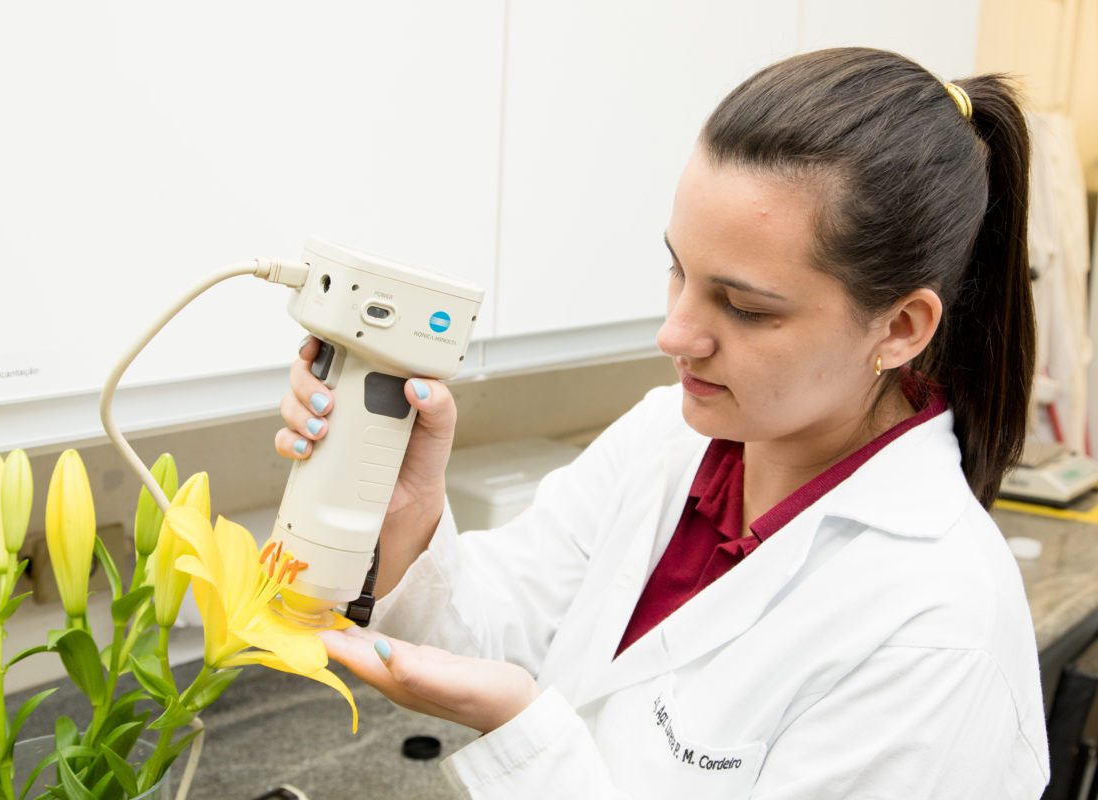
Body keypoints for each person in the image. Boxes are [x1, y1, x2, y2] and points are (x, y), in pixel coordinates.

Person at [276, 47, 1049, 798]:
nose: (675, 334)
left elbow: (522, 703)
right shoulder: (672, 436)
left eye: (745, 307)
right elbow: (503, 623)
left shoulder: (941, 635)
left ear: (903, 327)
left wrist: (522, 729)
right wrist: (408, 511)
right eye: (678, 268)